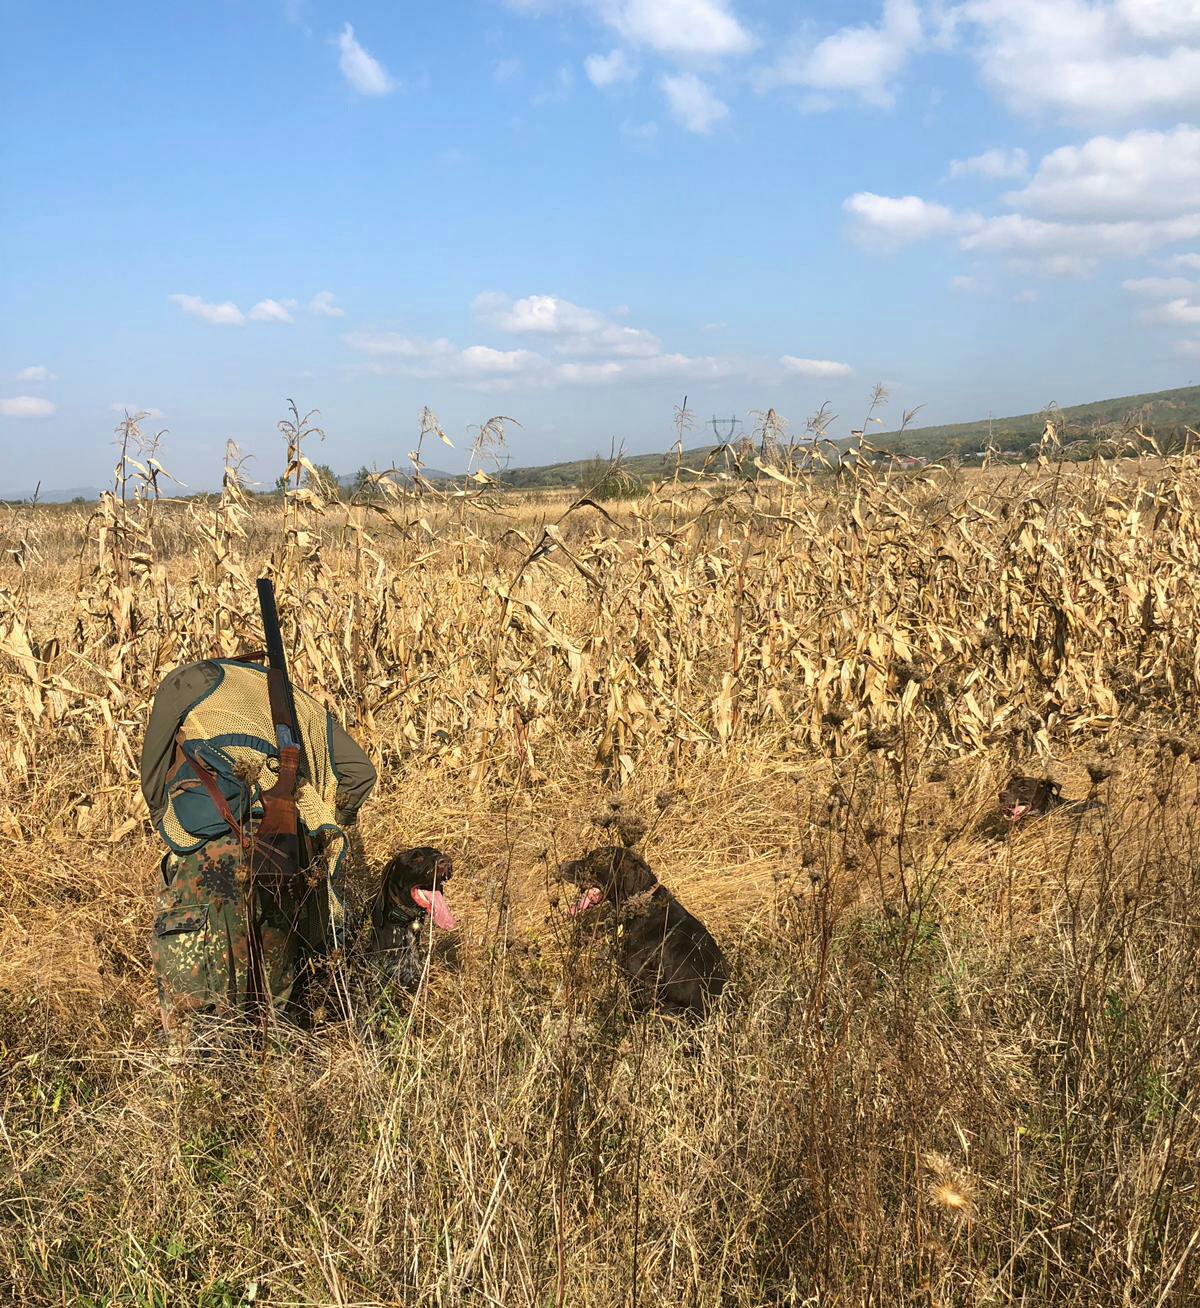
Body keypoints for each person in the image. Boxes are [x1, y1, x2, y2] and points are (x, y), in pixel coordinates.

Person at [140, 655, 376, 1032]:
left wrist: (173, 827)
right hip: (283, 856)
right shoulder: (295, 701)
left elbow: (152, 780)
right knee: (275, 1011)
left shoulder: (190, 681)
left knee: (199, 1011)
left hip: (207, 855)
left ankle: (200, 1087)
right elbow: (359, 774)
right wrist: (313, 836)